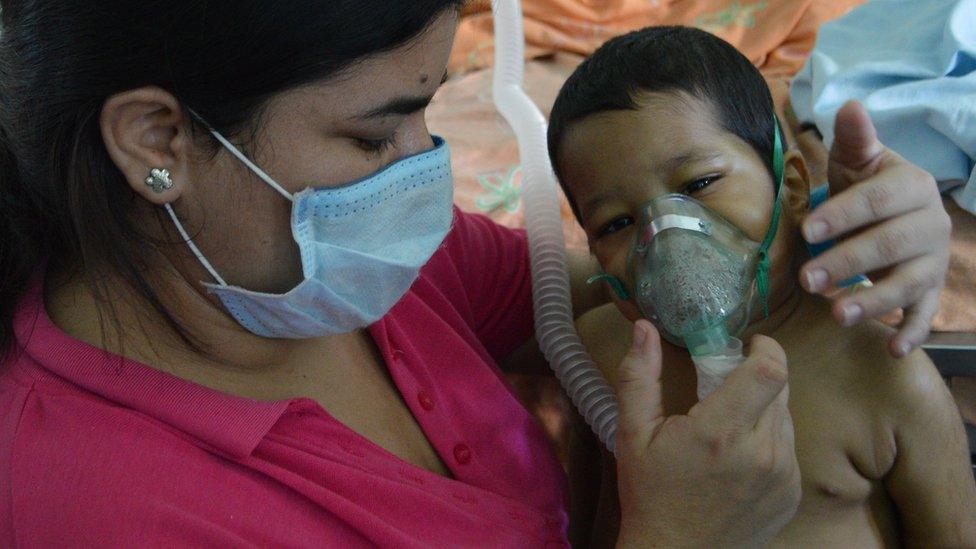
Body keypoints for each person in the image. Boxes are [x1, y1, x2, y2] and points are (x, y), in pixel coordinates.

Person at [0, 3, 953, 547]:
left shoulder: (352, 268)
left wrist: (843, 236)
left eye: (429, 111)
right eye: (375, 133)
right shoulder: (91, 508)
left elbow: (610, 281)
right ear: (158, 139)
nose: (425, 170)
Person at [547, 26, 976, 547]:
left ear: (792, 188)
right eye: (615, 223)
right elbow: (586, 520)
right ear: (591, 249)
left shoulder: (883, 376)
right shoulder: (597, 353)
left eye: (699, 184)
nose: (666, 236)